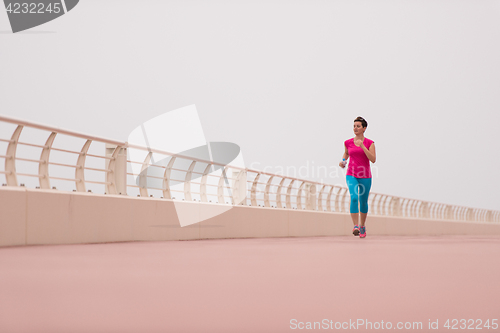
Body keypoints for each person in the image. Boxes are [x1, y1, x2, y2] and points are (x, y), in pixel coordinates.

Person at [339, 116, 376, 238]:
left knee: (363, 202)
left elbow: (373, 159)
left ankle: (362, 225)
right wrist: (343, 161)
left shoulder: (370, 143)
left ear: (364, 128)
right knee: (354, 198)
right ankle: (355, 226)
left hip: (365, 176)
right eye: (354, 126)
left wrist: (363, 147)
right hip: (351, 174)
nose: (355, 128)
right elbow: (346, 153)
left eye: (358, 126)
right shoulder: (348, 142)